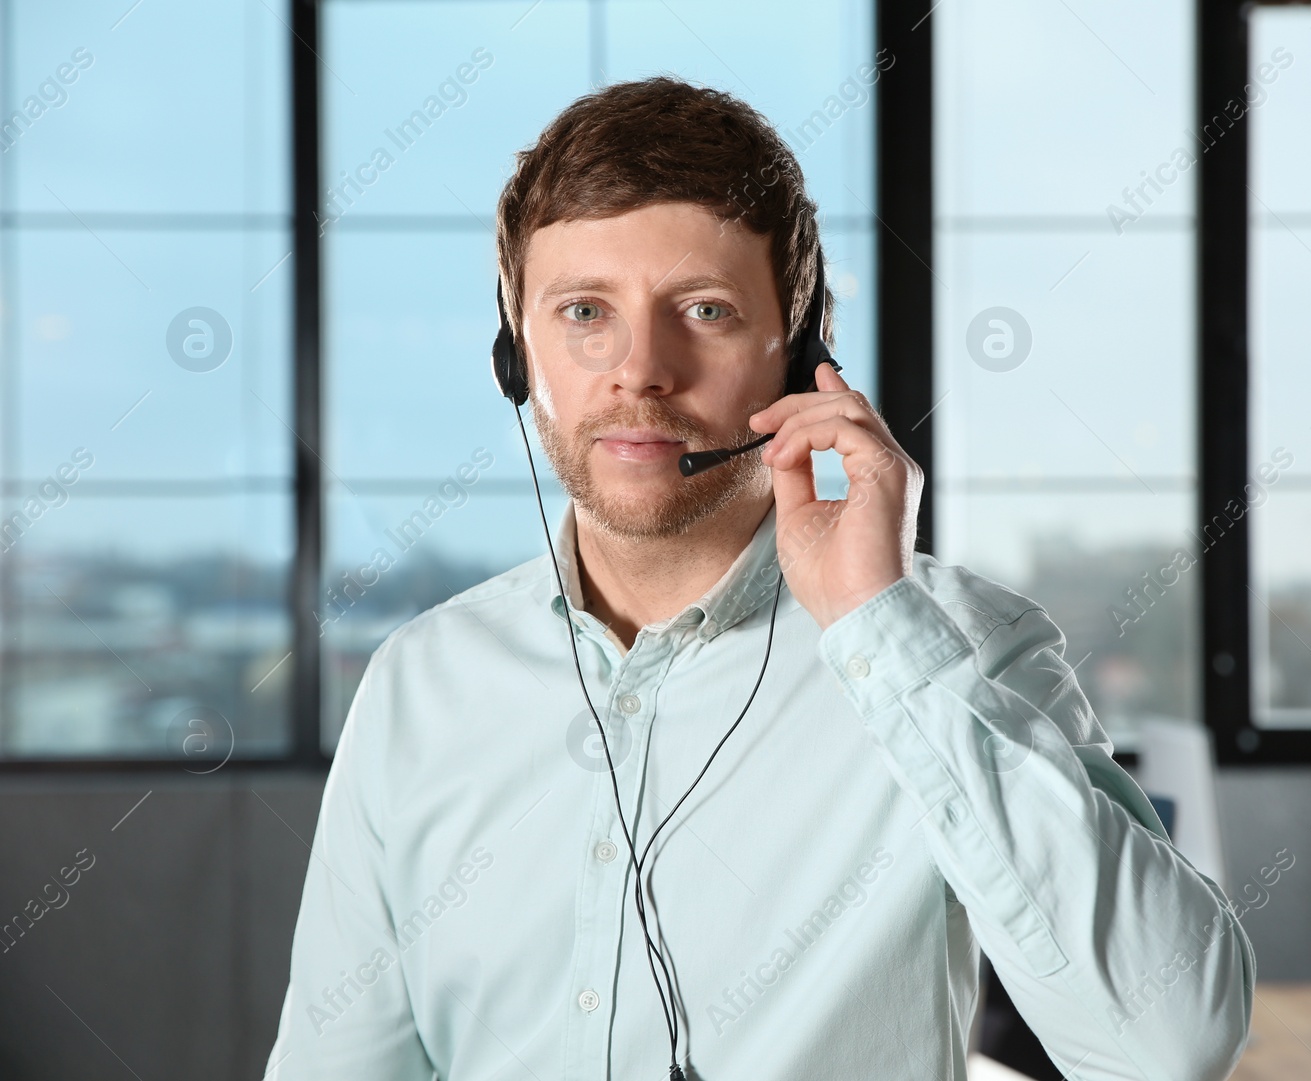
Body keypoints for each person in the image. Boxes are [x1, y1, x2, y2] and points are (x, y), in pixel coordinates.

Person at [265, 76, 1254, 1081]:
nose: (640, 369)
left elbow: (1170, 1046)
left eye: (704, 309)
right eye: (582, 311)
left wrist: (876, 625)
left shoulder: (958, 648)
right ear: (515, 352)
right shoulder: (417, 688)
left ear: (803, 346)